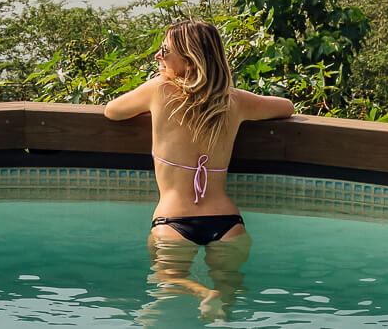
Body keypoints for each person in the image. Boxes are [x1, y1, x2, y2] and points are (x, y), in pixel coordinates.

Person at [104, 20, 293, 319]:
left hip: (173, 221)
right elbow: (286, 107)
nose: (158, 57)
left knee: (168, 279)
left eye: (165, 51)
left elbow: (111, 111)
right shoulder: (234, 100)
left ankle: (204, 293)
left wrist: (161, 84)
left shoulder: (159, 90)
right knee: (229, 293)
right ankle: (217, 303)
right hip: (228, 222)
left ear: (189, 61)